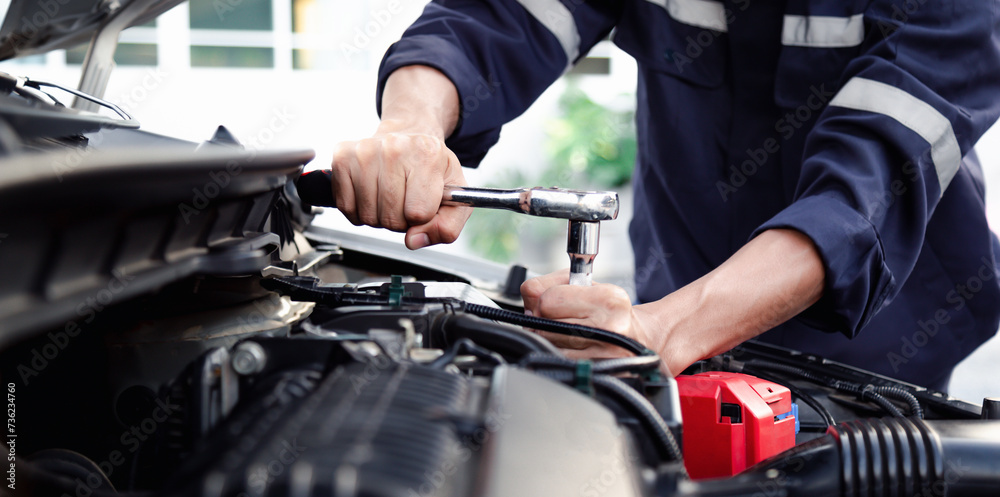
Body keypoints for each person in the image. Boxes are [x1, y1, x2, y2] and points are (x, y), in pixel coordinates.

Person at [326, 0, 1000, 391]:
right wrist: (413, 125)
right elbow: (495, 18)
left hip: (880, 361)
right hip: (678, 314)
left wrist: (660, 330)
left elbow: (862, 198)